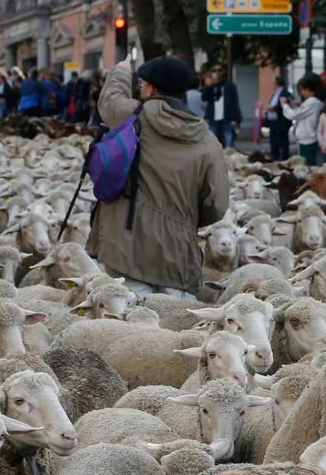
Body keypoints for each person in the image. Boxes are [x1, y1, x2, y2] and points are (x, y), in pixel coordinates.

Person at [86, 56, 229, 298]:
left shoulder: (133, 117)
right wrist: (184, 220)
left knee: (131, 323)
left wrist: (121, 73)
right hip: (178, 255)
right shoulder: (208, 142)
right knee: (172, 327)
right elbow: (216, 204)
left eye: (142, 84)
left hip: (126, 245)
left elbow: (109, 101)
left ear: (151, 88)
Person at [281, 74, 323, 165]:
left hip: (308, 139)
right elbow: (303, 112)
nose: (301, 93)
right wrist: (298, 105)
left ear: (307, 89)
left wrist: (284, 105)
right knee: (305, 164)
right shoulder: (311, 102)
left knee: (308, 165)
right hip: (305, 138)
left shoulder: (312, 102)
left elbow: (294, 115)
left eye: (302, 90)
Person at [203, 64, 241, 148]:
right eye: (214, 70)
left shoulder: (230, 86)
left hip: (227, 118)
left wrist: (236, 118)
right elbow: (204, 97)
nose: (216, 72)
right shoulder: (211, 86)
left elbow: (234, 102)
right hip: (212, 118)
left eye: (219, 70)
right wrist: (209, 86)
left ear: (224, 71)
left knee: (229, 142)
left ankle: (230, 160)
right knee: (212, 143)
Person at [266, 75, 291, 161]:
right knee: (273, 141)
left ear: (277, 83)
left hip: (280, 121)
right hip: (273, 121)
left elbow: (284, 106)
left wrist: (274, 108)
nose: (272, 85)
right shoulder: (275, 94)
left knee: (282, 141)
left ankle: (283, 158)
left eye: (273, 83)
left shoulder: (285, 93)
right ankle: (274, 156)